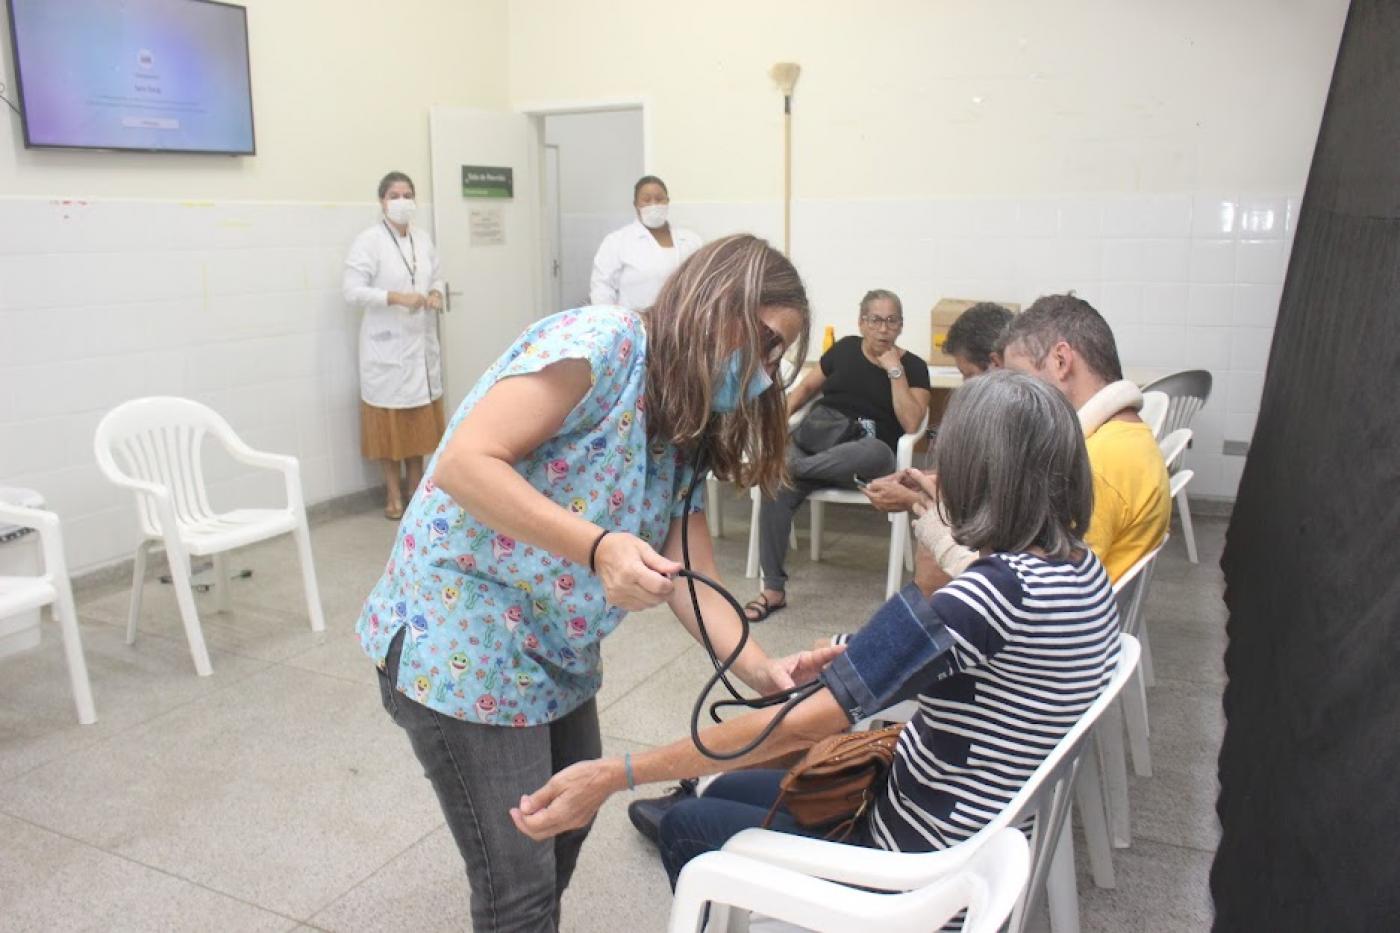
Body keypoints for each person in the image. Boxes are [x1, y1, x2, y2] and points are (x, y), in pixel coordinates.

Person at [358, 235, 842, 933]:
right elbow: (464, 463)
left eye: (777, 357)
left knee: (569, 823)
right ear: (713, 303)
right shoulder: (604, 343)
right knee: (518, 886)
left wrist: (763, 668)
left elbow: (691, 573)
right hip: (460, 633)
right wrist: (598, 546)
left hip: (553, 649)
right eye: (764, 344)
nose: (766, 373)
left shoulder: (685, 411)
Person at [510, 371, 1122, 892]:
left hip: (912, 858)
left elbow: (799, 723)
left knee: (687, 825)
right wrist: (859, 657)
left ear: (976, 473)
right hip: (978, 829)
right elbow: (940, 647)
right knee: (738, 783)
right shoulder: (1077, 568)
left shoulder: (985, 597)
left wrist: (614, 773)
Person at [910, 292, 1171, 590]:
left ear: (1061, 361)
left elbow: (1035, 596)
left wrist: (943, 540)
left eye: (1020, 378)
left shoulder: (1097, 465)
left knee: (936, 557)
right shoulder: (1122, 437)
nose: (1012, 395)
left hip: (1043, 629)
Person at [745, 289, 931, 622]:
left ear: (901, 326)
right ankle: (773, 590)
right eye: (875, 320)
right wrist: (773, 427)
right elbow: (803, 391)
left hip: (865, 458)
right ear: (862, 322)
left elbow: (912, 422)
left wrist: (895, 371)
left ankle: (787, 467)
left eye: (892, 321)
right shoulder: (844, 348)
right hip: (819, 442)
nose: (883, 329)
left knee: (873, 450)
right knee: (777, 487)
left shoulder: (914, 367)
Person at [343, 171, 447, 519]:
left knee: (417, 426)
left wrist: (434, 293)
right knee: (389, 428)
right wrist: (395, 297)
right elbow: (352, 290)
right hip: (386, 349)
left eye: (407, 194)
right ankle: (393, 495)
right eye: (394, 195)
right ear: (382, 201)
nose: (402, 201)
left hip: (419, 347)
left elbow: (437, 276)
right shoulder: (369, 242)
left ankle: (416, 491)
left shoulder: (423, 239)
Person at [861, 301, 1012, 514]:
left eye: (968, 374)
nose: (965, 384)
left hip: (998, 537)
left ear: (996, 363)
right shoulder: (1001, 407)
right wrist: (925, 479)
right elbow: (976, 479)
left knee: (931, 528)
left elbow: (989, 506)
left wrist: (912, 500)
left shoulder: (1019, 418)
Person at [589, 175, 703, 310]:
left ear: (667, 201)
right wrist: (611, 322)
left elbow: (702, 284)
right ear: (636, 204)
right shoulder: (617, 242)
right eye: (646, 200)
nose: (654, 204)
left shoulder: (692, 240)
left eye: (659, 199)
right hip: (636, 323)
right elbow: (602, 287)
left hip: (680, 322)